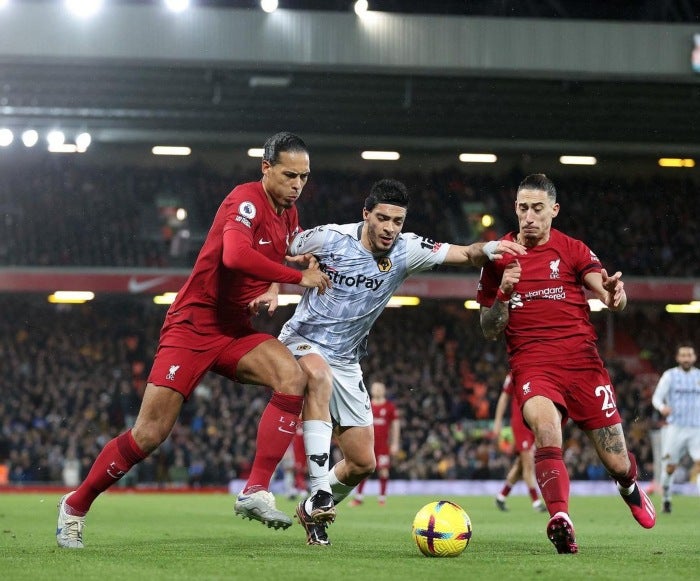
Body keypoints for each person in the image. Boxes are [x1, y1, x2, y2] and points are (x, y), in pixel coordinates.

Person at [55, 132, 331, 549]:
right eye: (290, 175)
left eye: (304, 177)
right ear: (266, 168)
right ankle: (74, 507)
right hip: (193, 327)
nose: (297, 184)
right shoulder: (245, 201)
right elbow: (235, 257)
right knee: (149, 435)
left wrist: (275, 285)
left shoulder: (288, 214)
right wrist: (296, 277)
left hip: (235, 329)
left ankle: (255, 490)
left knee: (292, 377)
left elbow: (278, 253)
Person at [267, 178, 525, 545]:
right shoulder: (329, 238)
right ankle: (320, 487)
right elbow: (278, 247)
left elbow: (467, 253)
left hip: (346, 360)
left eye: (397, 221)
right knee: (318, 372)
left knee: (362, 463)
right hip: (300, 342)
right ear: (366, 215)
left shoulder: (407, 250)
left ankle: (311, 510)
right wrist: (273, 285)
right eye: (383, 218)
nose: (390, 228)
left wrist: (494, 247)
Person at [477, 173, 656, 555]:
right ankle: (561, 519)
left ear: (554, 211)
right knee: (546, 428)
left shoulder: (572, 250)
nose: (529, 216)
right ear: (515, 209)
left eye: (537, 209)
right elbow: (489, 328)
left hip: (583, 364)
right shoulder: (498, 257)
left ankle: (629, 486)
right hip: (532, 364)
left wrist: (613, 294)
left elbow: (611, 298)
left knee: (617, 461)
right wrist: (504, 297)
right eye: (522, 208)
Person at [651, 342, 700, 514]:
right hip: (675, 428)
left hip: (697, 429)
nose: (686, 358)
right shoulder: (670, 376)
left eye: (689, 355)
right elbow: (656, 398)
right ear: (678, 358)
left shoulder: (699, 376)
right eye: (683, 355)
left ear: (694, 357)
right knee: (669, 467)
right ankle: (666, 499)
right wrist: (662, 407)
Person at [492, 372, 546, 513]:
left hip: (532, 423)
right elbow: (504, 398)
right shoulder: (515, 374)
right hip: (521, 424)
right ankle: (536, 502)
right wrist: (497, 422)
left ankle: (501, 496)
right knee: (528, 464)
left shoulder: (537, 371)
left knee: (521, 464)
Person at [348, 380, 400, 507]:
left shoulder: (389, 407)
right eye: (375, 388)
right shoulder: (366, 405)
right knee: (363, 470)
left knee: (383, 471)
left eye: (379, 388)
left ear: (384, 390)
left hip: (383, 445)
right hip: (367, 444)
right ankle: (359, 498)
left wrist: (395, 443)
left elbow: (395, 425)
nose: (377, 390)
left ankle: (382, 498)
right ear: (371, 390)